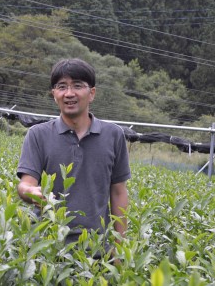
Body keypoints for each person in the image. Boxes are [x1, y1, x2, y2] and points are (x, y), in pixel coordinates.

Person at [16, 58, 130, 255]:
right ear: (54, 94)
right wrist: (30, 192)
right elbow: (26, 184)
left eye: (77, 86)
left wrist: (120, 248)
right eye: (62, 87)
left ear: (92, 93)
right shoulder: (38, 134)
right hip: (48, 247)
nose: (69, 93)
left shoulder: (114, 135)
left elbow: (119, 193)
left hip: (96, 249)